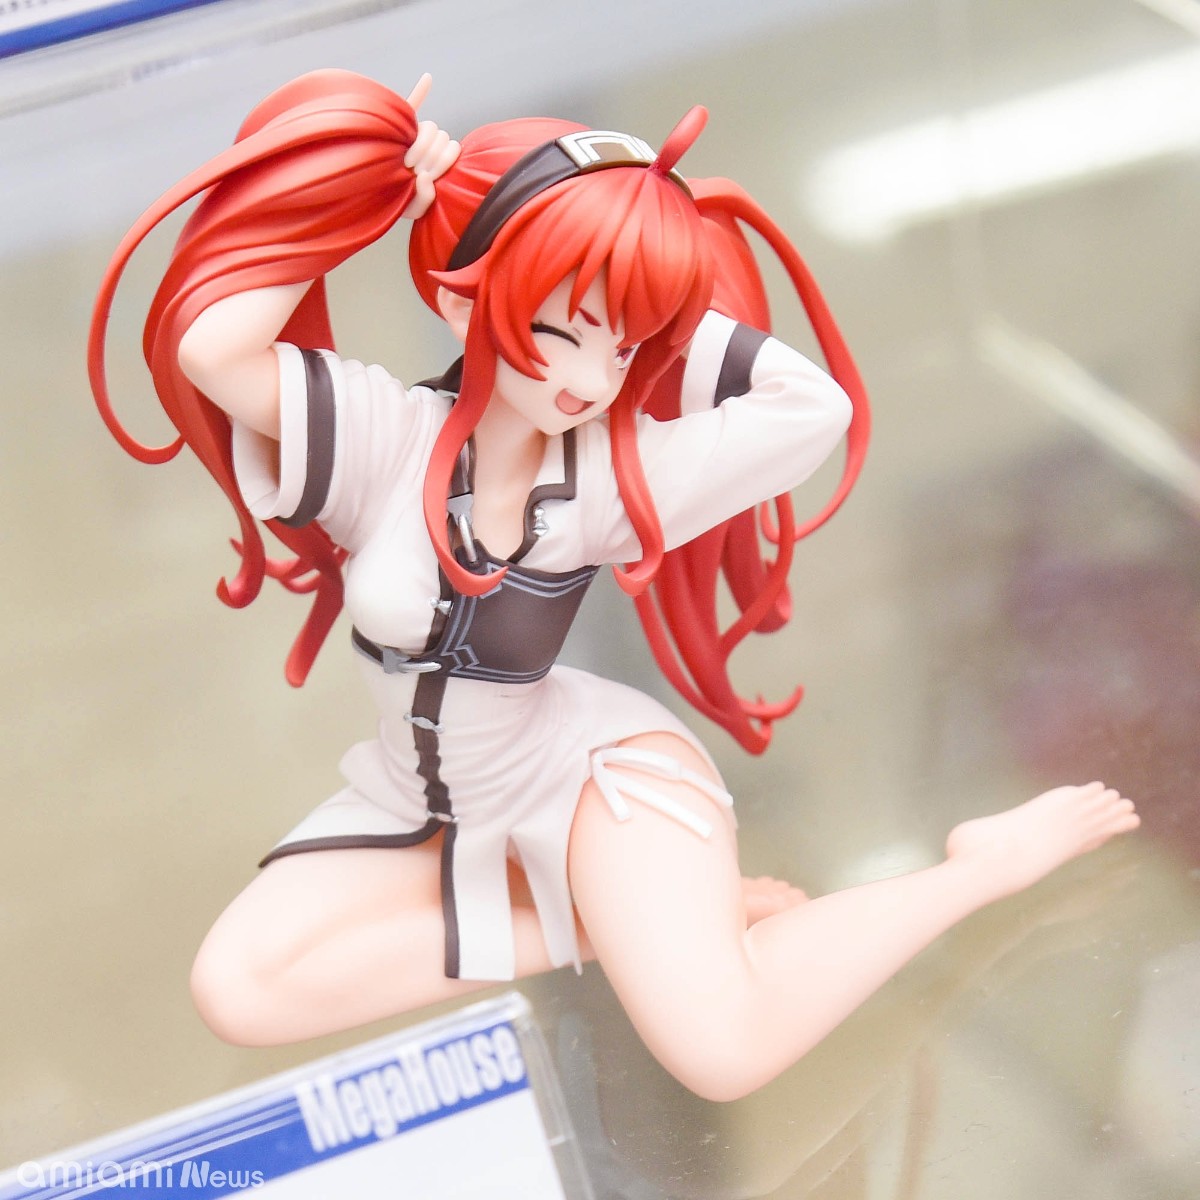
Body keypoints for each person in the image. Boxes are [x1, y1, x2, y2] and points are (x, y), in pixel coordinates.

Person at [88, 70, 1139, 1102]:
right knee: (240, 990)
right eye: (559, 331)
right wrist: (363, 192)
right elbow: (215, 347)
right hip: (417, 796)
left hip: (591, 780)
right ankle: (597, 927)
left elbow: (810, 409)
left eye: (624, 346)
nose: (591, 382)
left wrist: (646, 267)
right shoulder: (378, 437)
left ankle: (978, 869)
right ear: (459, 299)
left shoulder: (606, 482)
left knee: (724, 1053)